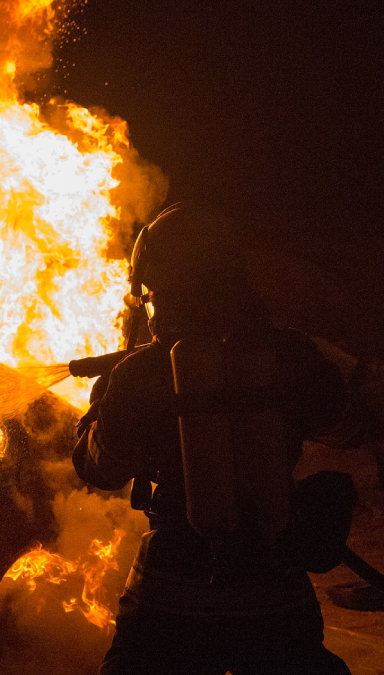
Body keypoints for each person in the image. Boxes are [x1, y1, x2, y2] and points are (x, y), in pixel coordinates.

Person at [74, 203, 369, 675]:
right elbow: (349, 429)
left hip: (169, 597)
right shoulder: (290, 355)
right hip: (275, 592)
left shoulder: (139, 375)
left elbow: (100, 469)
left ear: (159, 286)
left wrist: (96, 407)